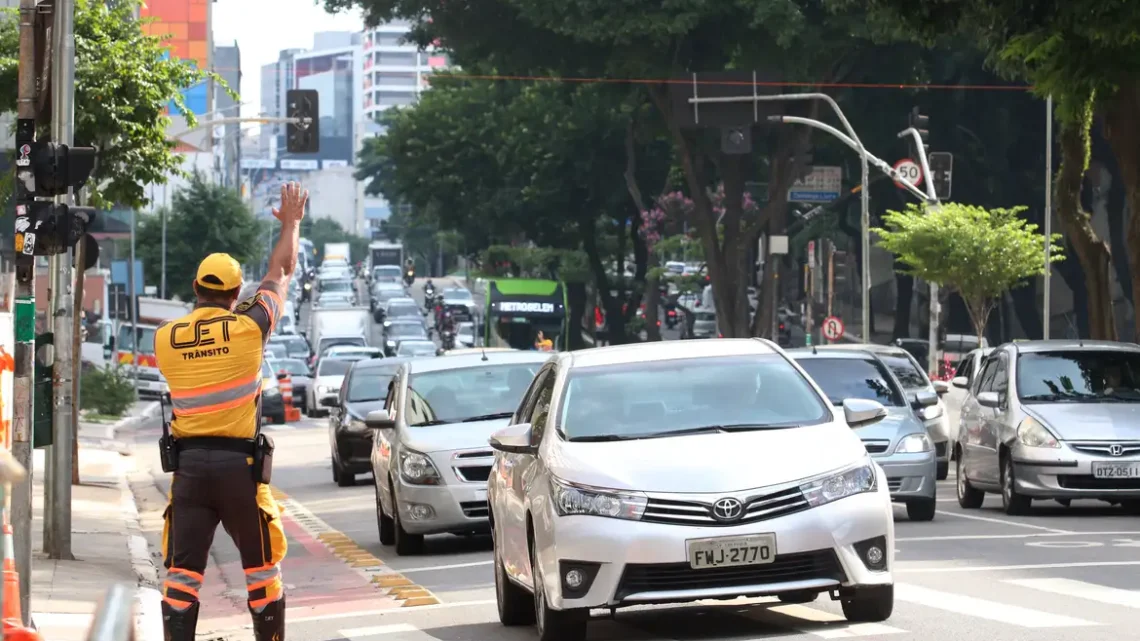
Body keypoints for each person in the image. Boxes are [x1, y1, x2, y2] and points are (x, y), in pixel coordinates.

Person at [154, 182, 308, 641]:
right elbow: (281, 271)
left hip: (190, 475)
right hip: (239, 471)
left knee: (182, 577)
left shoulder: (166, 339)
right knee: (262, 574)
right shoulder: (249, 328)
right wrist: (291, 223)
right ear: (237, 290)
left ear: (195, 288)